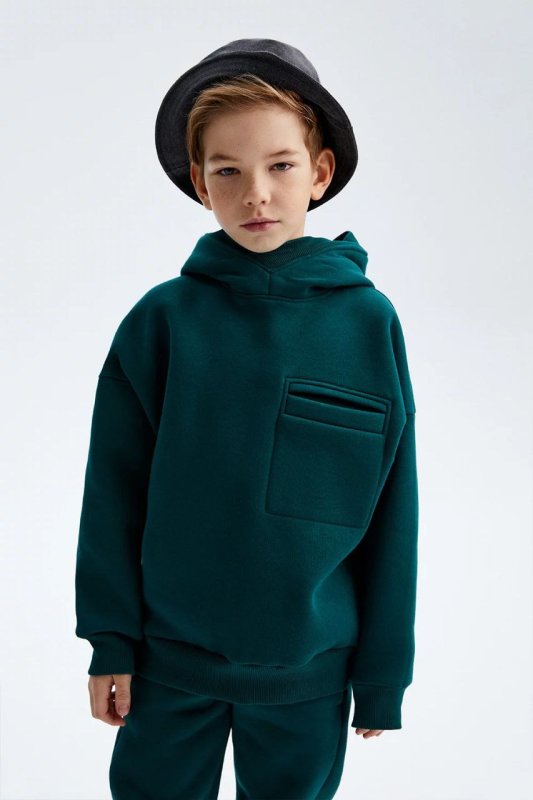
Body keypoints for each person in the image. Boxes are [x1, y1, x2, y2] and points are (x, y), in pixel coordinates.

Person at [75, 38, 419, 800]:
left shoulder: (367, 324)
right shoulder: (161, 322)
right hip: (166, 666)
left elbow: (394, 510)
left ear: (319, 173)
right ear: (200, 183)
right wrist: (110, 642)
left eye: (280, 165)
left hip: (310, 675)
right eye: (228, 171)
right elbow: (112, 494)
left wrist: (382, 676)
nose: (255, 193)